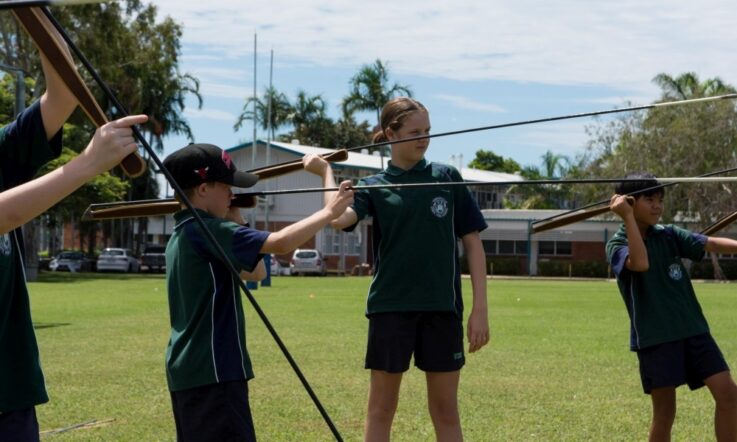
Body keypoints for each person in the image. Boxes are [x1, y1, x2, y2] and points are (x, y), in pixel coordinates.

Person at [312, 97, 489, 441]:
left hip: (442, 309)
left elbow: (473, 242)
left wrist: (480, 308)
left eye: (428, 131)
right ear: (391, 134)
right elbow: (337, 219)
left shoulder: (446, 177)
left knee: (445, 411)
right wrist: (325, 172)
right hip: (390, 309)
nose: (424, 138)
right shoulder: (373, 186)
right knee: (381, 409)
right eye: (414, 132)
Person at [0, 45, 148, 441]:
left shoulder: (2, 151)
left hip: (10, 391)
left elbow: (64, 94)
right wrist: (87, 165)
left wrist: (35, 14)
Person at [161, 143, 353, 441]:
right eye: (226, 186)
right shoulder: (206, 229)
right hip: (214, 370)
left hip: (195, 370)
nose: (231, 193)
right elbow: (280, 243)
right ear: (202, 189)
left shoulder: (186, 232)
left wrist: (234, 212)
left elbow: (256, 272)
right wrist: (328, 212)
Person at [606, 173, 737, 442]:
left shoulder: (668, 234)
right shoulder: (617, 244)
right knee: (665, 413)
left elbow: (709, 243)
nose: (657, 206)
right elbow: (641, 263)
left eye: (660, 200)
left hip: (694, 330)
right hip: (656, 338)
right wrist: (628, 218)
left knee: (729, 395)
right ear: (629, 203)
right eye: (650, 199)